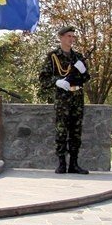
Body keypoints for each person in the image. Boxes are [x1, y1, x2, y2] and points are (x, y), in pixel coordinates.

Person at [39, 26, 91, 174]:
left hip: (77, 97)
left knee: (76, 132)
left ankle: (74, 164)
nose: (72, 39)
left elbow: (86, 78)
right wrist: (57, 81)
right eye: (69, 36)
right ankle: (62, 164)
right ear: (61, 37)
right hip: (63, 98)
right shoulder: (53, 56)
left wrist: (83, 71)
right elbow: (43, 78)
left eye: (73, 36)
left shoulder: (78, 57)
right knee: (61, 132)